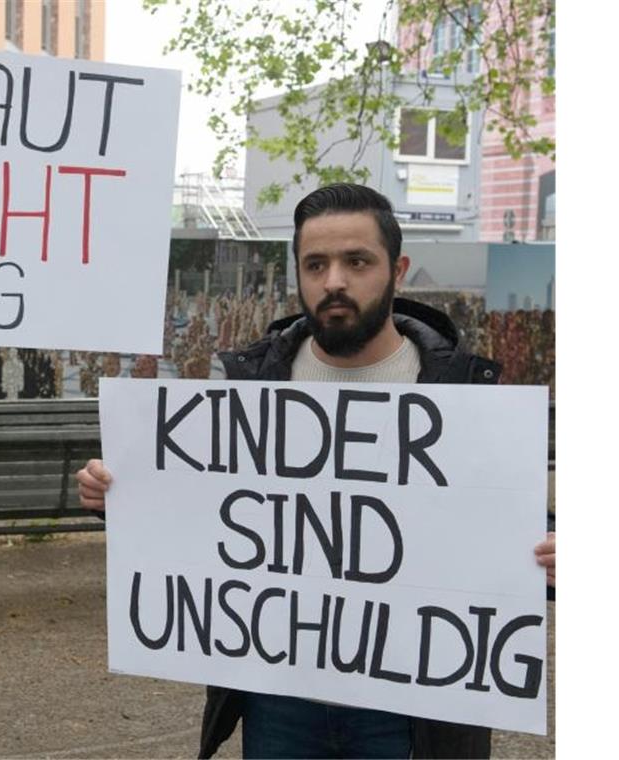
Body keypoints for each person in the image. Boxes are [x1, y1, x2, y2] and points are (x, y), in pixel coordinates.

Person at [76, 183, 556, 759]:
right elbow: (204, 528)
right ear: (298, 273)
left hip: (412, 703)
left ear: (396, 269)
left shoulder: (461, 392)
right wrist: (124, 501)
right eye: (316, 263)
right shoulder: (251, 389)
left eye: (357, 261)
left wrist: (555, 557)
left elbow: (511, 535)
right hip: (280, 697)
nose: (334, 280)